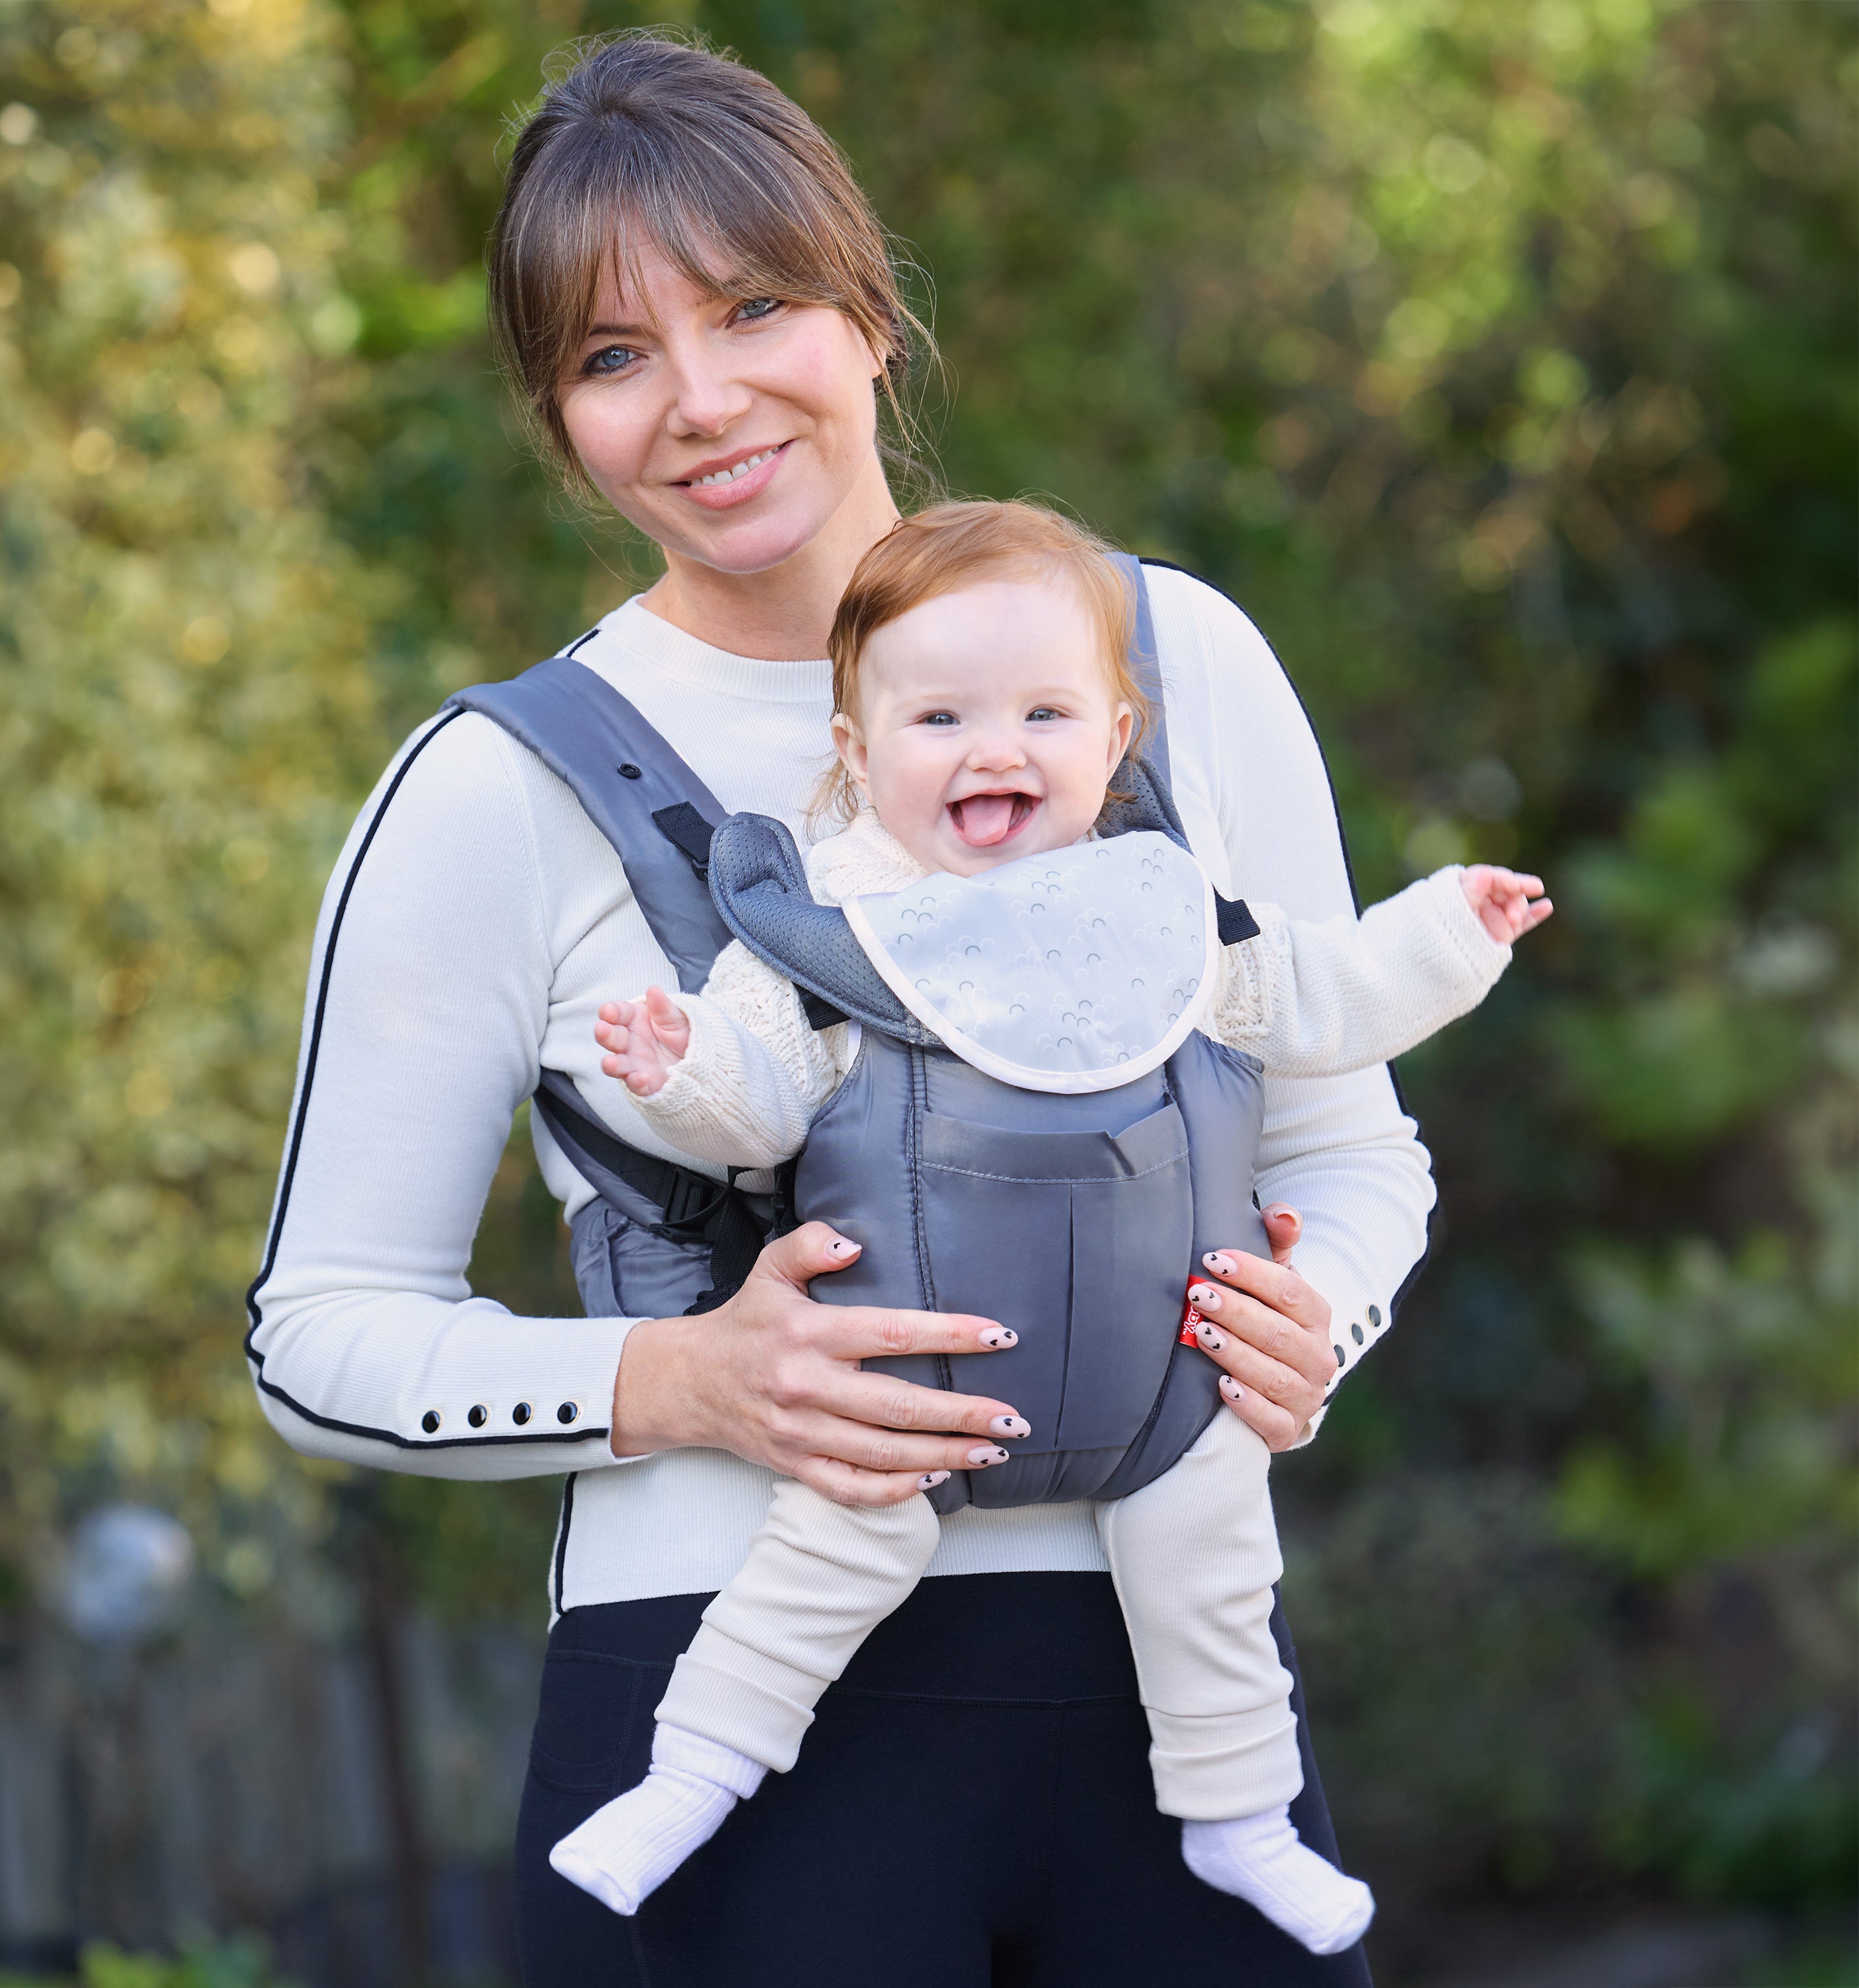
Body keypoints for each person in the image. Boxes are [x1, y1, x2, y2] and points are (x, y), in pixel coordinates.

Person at [246, 33, 1447, 1986]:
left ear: (870, 311)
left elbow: (1346, 1147)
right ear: (562, 426)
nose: (702, 401)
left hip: (1179, 1715)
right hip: (717, 1714)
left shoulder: (1173, 662)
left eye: (753, 307)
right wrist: (674, 1382)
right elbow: (320, 1336)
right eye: (612, 356)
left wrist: (1321, 1315)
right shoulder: (496, 788)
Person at [552, 500, 1550, 1952]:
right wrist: (677, 1070)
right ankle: (688, 1781)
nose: (993, 747)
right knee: (811, 1572)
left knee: (1214, 1579)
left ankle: (1243, 1824)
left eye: (1042, 712)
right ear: (856, 751)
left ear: (1115, 736)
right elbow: (758, 1106)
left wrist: (1448, 932)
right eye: (939, 715)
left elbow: (1326, 1001)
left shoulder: (1162, 921)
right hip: (912, 1411)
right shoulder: (836, 929)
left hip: (1163, 1399)